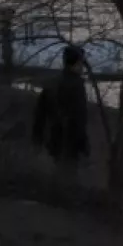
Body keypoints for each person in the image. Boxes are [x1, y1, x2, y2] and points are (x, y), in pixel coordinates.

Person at [32, 45, 90, 173]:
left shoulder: (52, 82)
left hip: (53, 138)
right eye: (81, 62)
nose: (82, 66)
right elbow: (80, 117)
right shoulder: (77, 85)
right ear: (76, 63)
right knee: (69, 175)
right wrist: (84, 145)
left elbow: (39, 114)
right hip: (70, 141)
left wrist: (37, 138)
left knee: (55, 172)